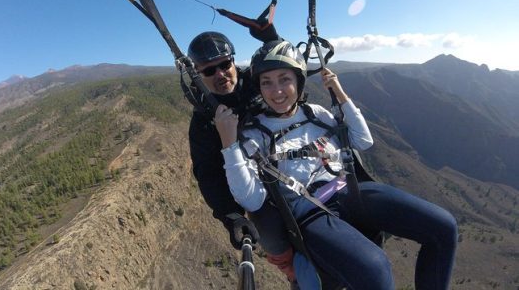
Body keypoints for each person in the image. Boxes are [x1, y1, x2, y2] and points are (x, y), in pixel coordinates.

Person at [214, 40, 458, 289]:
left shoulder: (315, 113)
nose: (276, 90)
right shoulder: (255, 135)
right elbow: (252, 200)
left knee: (444, 228)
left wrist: (340, 94)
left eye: (284, 79)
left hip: (350, 189)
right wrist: (229, 144)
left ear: (298, 81)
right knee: (375, 269)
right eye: (267, 82)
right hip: (312, 212)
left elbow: (362, 140)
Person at [186, 32, 299, 285]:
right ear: (198, 74)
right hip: (255, 185)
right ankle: (293, 273)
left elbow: (289, 74)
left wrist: (273, 36)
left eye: (225, 64)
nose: (220, 74)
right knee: (271, 234)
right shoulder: (204, 120)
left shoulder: (257, 81)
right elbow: (209, 174)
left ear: (234, 61)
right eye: (209, 70)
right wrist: (231, 216)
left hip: (294, 161)